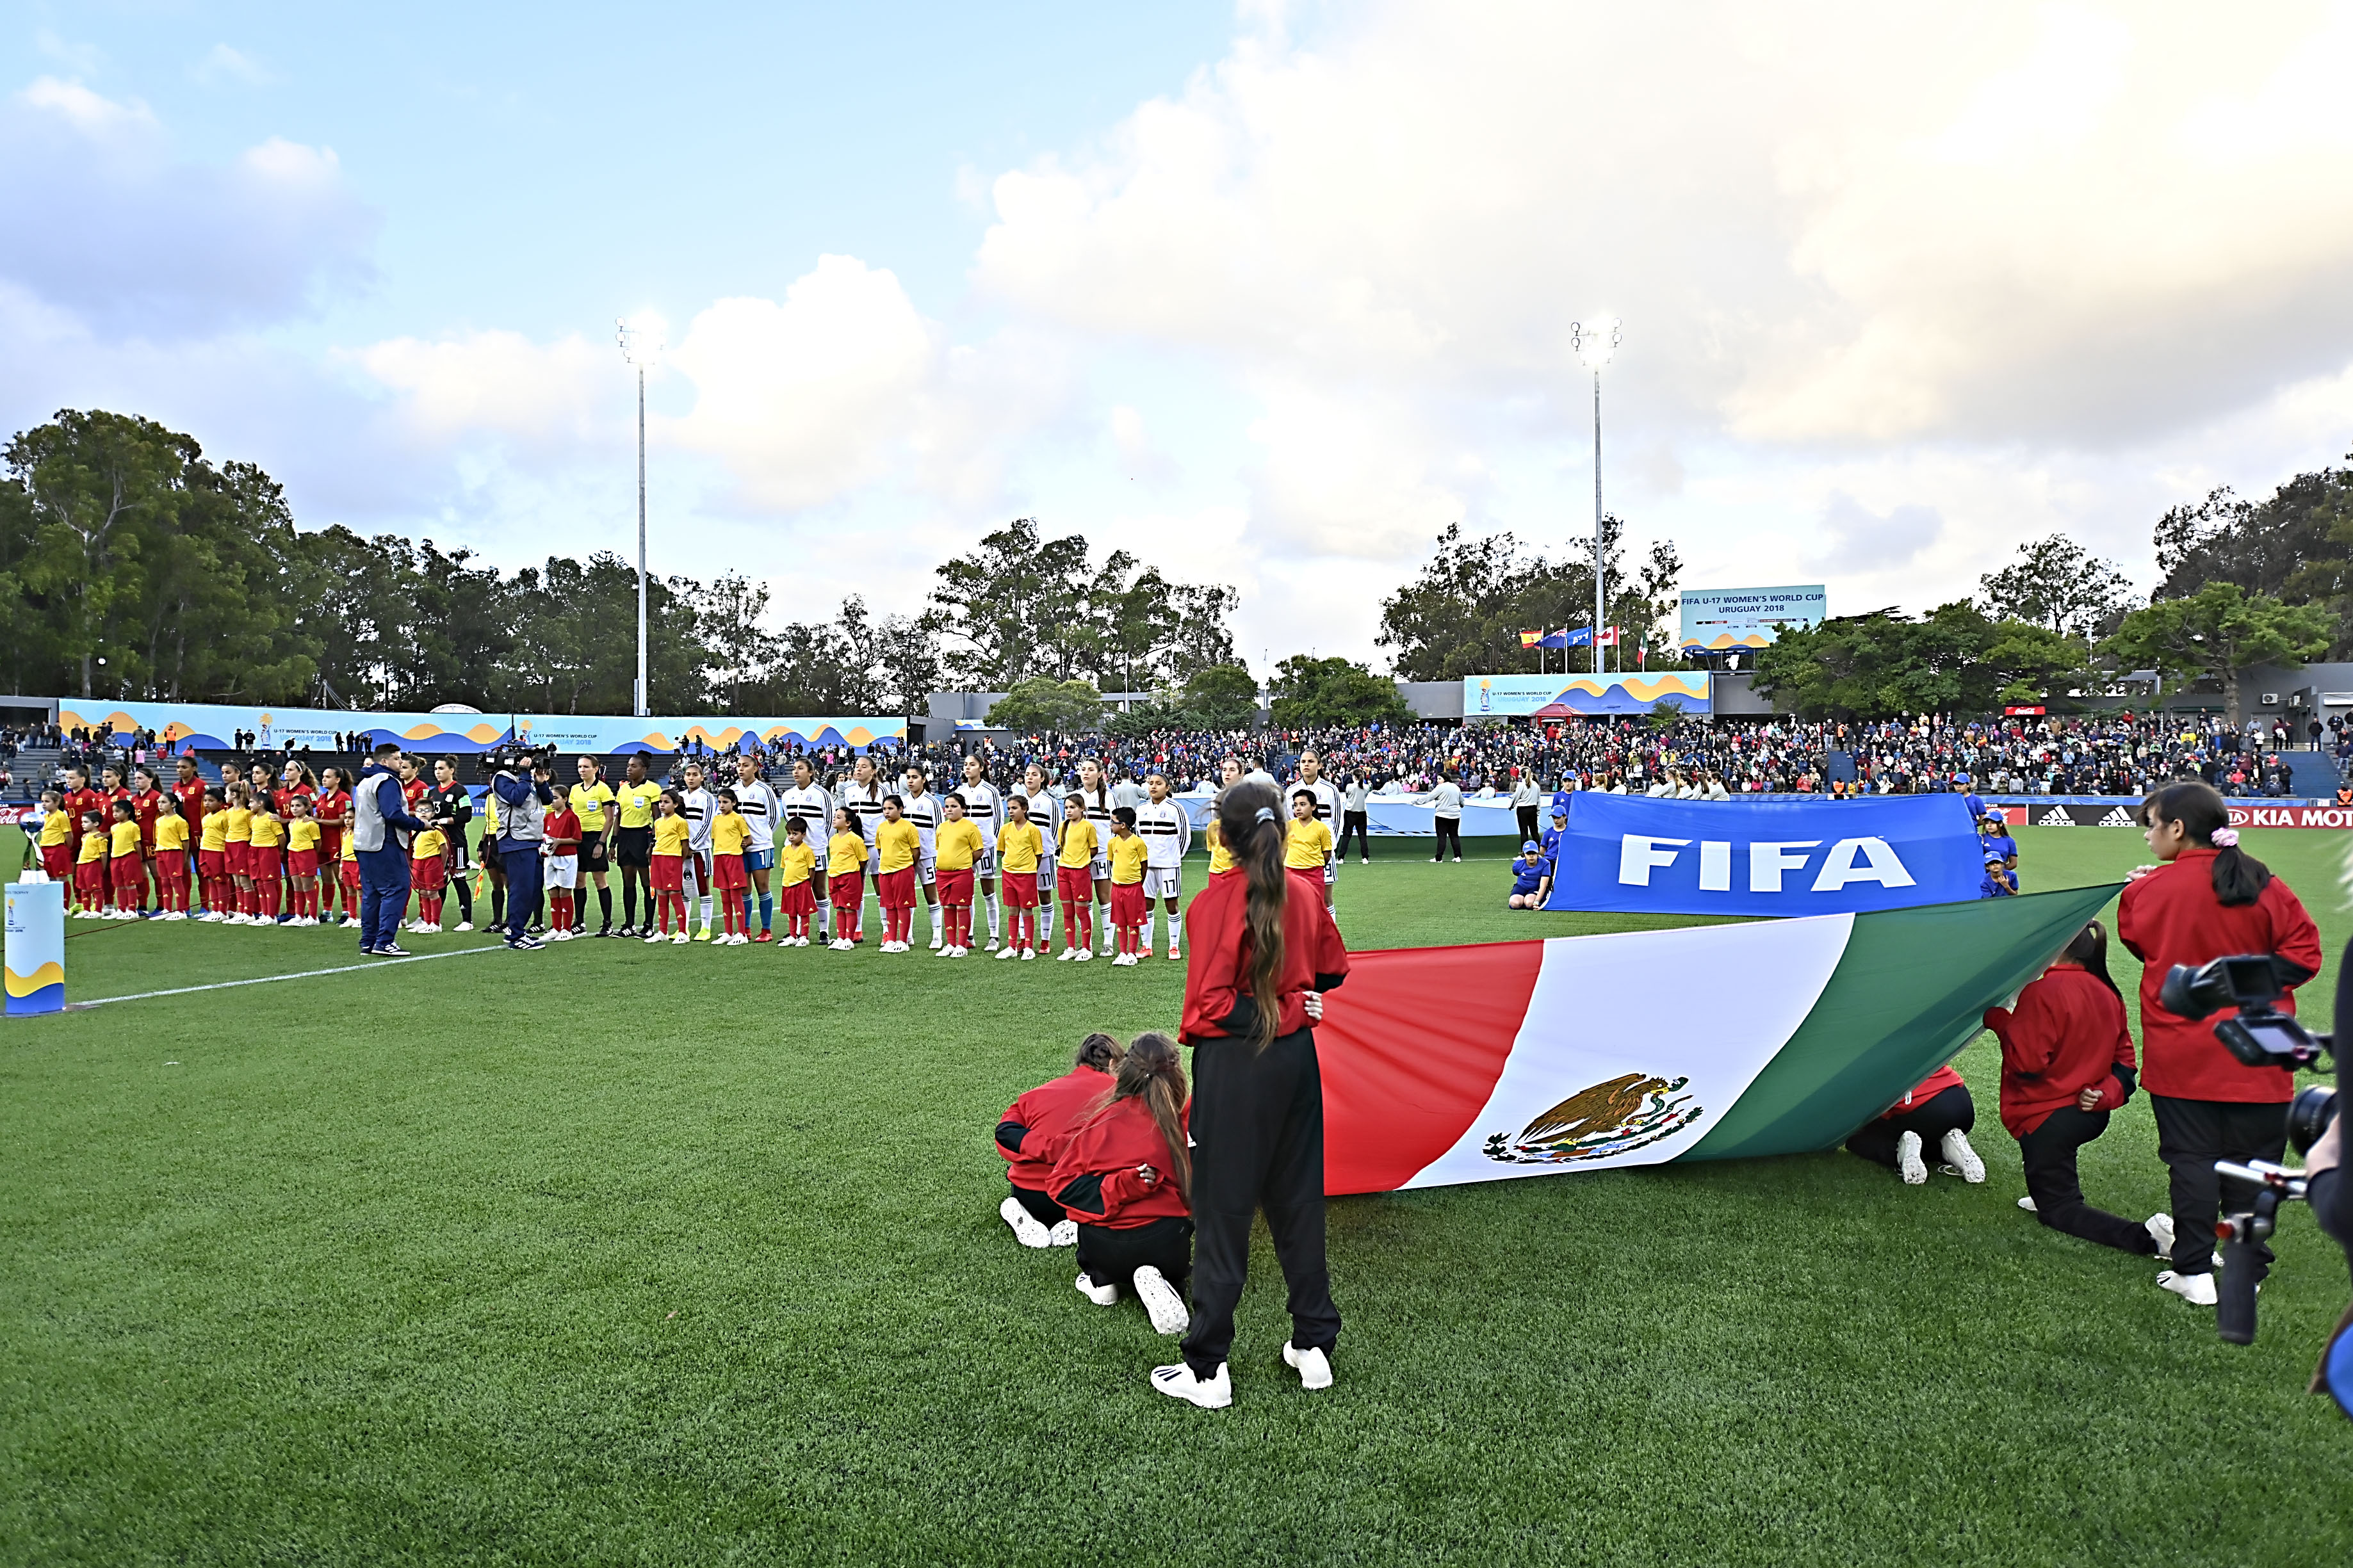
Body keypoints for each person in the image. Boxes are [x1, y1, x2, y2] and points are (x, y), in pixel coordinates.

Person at [1159, 781, 1352, 1409]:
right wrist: (1297, 1003)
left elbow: (1214, 1003)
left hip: (1236, 1065)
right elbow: (1331, 969)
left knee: (1223, 1211)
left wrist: (1287, 1004)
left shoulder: (1211, 905)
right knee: (1297, 1200)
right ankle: (1313, 1344)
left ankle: (1209, 1368)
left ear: (1225, 836)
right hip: (1295, 1063)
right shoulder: (1305, 890)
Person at [2117, 779, 2324, 1305]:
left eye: (2152, 825)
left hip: (2183, 1055)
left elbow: (2142, 942)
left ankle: (2193, 1270)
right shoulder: (2263, 884)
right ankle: (2245, 1270)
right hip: (2259, 1055)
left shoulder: (2148, 891)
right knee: (2251, 1168)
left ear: (2178, 828)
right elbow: (2304, 956)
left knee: (2191, 1161)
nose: (2148, 835)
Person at [1984, 921, 2163, 1256]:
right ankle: (2047, 1191)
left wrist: (1999, 1019)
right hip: (2090, 1114)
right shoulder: (2108, 992)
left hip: (2048, 1118)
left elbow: (2027, 1063)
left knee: (2059, 1210)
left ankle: (2150, 1238)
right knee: (2051, 1178)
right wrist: (2104, 1094)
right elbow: (2125, 1062)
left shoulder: (2041, 992)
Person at [1048, 1031, 1196, 1336]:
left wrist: (1122, 1185)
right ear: (1177, 1075)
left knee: (1095, 1243)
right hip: (1166, 1243)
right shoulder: (1182, 1127)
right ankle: (1165, 1280)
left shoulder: (1101, 1122)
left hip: (1105, 1248)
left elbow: (1060, 1187)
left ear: (1126, 1069)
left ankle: (1102, 1283)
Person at [993, 1031, 1124, 1247]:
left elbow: (1005, 1135)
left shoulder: (1035, 1095)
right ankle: (1079, 1223)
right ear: (1112, 1064)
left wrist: (1049, 1148)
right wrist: (1069, 1149)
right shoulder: (1121, 1096)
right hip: (1083, 1195)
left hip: (1028, 1192)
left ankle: (1027, 1214)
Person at [1846, 1065, 1987, 1184]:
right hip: (1960, 1101)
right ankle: (1947, 1146)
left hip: (1925, 1112)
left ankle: (1899, 1153)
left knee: (1856, 1139)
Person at [350, 744, 430, 955]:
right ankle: (385, 941)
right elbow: (392, 814)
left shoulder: (365, 781)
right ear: (384, 762)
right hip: (383, 843)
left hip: (364, 844)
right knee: (396, 889)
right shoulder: (387, 781)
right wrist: (420, 825)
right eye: (396, 758)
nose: (400, 762)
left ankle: (368, 941)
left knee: (372, 894)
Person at [486, 752, 555, 952]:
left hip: (531, 840)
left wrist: (540, 781)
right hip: (515, 840)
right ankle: (515, 934)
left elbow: (548, 799)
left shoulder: (526, 779)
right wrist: (526, 775)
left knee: (533, 888)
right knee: (521, 888)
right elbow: (516, 798)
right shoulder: (502, 778)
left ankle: (519, 930)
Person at [1137, 771, 1191, 960]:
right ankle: (1147, 946)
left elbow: (1184, 836)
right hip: (1147, 867)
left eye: (1158, 783)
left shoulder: (1176, 808)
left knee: (1171, 905)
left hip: (1169, 866)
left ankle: (1174, 946)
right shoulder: (1141, 809)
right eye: (1151, 783)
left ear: (1167, 788)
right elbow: (1138, 838)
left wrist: (1175, 858)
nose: (1153, 786)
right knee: (1146, 905)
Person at [781, 757, 835, 942]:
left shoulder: (822, 794)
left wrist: (820, 844)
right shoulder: (787, 795)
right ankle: (795, 933)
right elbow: (790, 824)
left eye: (801, 768)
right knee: (795, 891)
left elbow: (829, 822)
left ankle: (824, 931)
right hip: (794, 852)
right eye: (794, 769)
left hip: (816, 851)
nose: (796, 772)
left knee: (819, 890)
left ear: (811, 772)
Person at [733, 754, 783, 943]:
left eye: (745, 765)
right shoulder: (733, 790)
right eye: (738, 765)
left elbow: (774, 819)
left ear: (755, 769)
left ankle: (766, 930)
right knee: (744, 889)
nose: (741, 768)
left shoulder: (764, 790)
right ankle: (745, 929)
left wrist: (759, 837)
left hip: (760, 846)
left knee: (762, 887)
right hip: (738, 847)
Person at [612, 754, 662, 938]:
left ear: (644, 769)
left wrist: (653, 843)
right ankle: (629, 924)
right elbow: (618, 817)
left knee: (647, 883)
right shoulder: (623, 789)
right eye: (628, 765)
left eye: (634, 766)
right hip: (625, 837)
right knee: (628, 882)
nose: (629, 769)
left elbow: (657, 818)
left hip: (643, 837)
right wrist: (613, 844)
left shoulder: (652, 789)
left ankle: (649, 925)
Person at [569, 756, 617, 937]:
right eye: (580, 766)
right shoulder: (574, 789)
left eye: (586, 767)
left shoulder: (602, 789)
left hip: (595, 838)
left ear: (596, 769)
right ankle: (579, 922)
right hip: (578, 839)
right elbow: (573, 816)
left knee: (600, 882)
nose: (582, 770)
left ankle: (607, 923)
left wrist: (601, 843)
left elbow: (610, 819)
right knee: (578, 882)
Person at [957, 755, 1002, 951]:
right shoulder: (959, 791)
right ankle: (969, 935)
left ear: (981, 768)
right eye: (966, 765)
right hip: (964, 849)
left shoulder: (990, 791)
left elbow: (999, 819)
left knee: (987, 891)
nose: (968, 768)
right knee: (966, 892)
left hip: (985, 847)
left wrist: (993, 843)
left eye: (972, 765)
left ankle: (994, 936)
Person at [932, 793, 985, 958]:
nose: (950, 809)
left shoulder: (970, 827)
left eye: (954, 806)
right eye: (947, 806)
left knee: (962, 907)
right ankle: (950, 944)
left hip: (961, 873)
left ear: (963, 808)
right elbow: (940, 848)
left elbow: (978, 850)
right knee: (948, 907)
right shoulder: (941, 828)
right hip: (942, 874)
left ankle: (962, 945)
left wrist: (965, 862)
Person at [1074, 757, 1118, 955]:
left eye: (1091, 769)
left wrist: (1113, 851)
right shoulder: (1075, 796)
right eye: (1083, 769)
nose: (1086, 773)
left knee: (1104, 897)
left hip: (1102, 855)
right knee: (1084, 899)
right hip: (1080, 857)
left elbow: (1117, 826)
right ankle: (1087, 943)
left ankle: (1108, 943)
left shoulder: (1109, 797)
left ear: (1100, 773)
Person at [426, 759, 475, 932]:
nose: (437, 772)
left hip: (456, 843)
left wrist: (444, 821)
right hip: (436, 844)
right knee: (440, 880)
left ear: (451, 770)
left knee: (459, 878)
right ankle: (434, 921)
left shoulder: (460, 791)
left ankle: (467, 921)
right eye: (435, 768)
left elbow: (467, 815)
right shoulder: (432, 793)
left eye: (441, 768)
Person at [900, 763, 945, 950]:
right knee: (907, 896)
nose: (911, 781)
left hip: (928, 856)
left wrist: (939, 853)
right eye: (908, 777)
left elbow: (940, 829)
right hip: (906, 857)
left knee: (931, 895)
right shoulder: (902, 801)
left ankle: (937, 936)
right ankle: (907, 935)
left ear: (924, 780)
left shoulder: (932, 802)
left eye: (915, 777)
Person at [995, 793, 1045, 960]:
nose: (1011, 811)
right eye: (1009, 808)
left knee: (1026, 910)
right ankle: (1011, 946)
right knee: (1012, 910)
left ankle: (1029, 947)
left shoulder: (1032, 829)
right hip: (1009, 874)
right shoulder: (1005, 829)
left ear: (1024, 809)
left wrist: (1028, 868)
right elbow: (1002, 851)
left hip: (1026, 875)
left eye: (1014, 808)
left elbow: (1038, 854)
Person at [1055, 790, 1100, 962]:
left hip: (1080, 872)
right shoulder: (1063, 826)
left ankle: (1086, 948)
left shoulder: (1088, 827)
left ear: (1082, 809)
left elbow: (1094, 849)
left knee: (1082, 912)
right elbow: (1062, 847)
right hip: (1063, 871)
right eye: (1066, 807)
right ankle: (1071, 948)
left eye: (1072, 807)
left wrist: (1082, 861)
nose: (1068, 810)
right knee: (1067, 912)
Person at [874, 794, 921, 953]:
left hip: (903, 871)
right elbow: (880, 849)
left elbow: (916, 851)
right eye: (885, 809)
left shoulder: (909, 827)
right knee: (890, 907)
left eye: (890, 808)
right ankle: (891, 940)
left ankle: (903, 941)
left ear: (900, 809)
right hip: (885, 871)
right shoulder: (881, 827)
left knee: (903, 906)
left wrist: (908, 866)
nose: (887, 812)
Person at [678, 761, 718, 943]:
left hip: (700, 850)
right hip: (680, 851)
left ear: (702, 777)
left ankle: (705, 928)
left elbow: (707, 824)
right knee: (684, 889)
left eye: (695, 775)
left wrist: (692, 846)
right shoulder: (678, 797)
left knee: (703, 889)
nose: (691, 778)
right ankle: (683, 929)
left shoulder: (707, 797)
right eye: (688, 775)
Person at [1105, 805, 1150, 965]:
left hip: (1133, 888)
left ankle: (1132, 953)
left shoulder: (1138, 843)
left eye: (1113, 822)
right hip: (1117, 888)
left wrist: (1138, 883)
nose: (1110, 825)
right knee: (1120, 921)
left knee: (1133, 921)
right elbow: (1111, 863)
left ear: (1123, 825)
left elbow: (1144, 865)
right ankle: (1122, 952)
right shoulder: (1112, 843)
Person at [708, 789, 752, 945]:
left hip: (734, 859)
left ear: (733, 803)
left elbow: (748, 839)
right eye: (719, 802)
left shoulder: (738, 819)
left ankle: (742, 934)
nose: (721, 805)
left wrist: (742, 845)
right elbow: (715, 840)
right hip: (719, 858)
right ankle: (728, 932)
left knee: (735, 896)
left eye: (725, 802)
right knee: (725, 897)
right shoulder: (716, 820)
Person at [647, 790, 691, 943]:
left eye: (666, 802)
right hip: (658, 859)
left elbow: (685, 845)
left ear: (676, 804)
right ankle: (662, 932)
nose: (662, 805)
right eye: (660, 802)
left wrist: (679, 860)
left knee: (675, 896)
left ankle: (683, 933)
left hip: (672, 860)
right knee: (661, 897)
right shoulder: (658, 822)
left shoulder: (680, 822)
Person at [825, 806, 867, 950]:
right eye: (835, 816)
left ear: (848, 823)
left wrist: (853, 873)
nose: (834, 819)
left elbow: (863, 860)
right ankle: (840, 938)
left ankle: (849, 938)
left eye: (838, 817)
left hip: (850, 877)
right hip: (834, 876)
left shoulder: (855, 839)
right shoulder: (833, 839)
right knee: (839, 909)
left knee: (850, 909)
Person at [774, 814, 818, 946]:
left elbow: (812, 869)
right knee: (791, 913)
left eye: (795, 833)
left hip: (802, 885)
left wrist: (808, 884)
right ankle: (793, 935)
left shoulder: (807, 851)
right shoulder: (785, 850)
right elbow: (785, 867)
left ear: (804, 835)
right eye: (789, 833)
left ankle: (804, 936)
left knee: (804, 912)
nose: (791, 836)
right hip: (788, 885)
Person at [542, 790, 582, 939]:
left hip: (567, 858)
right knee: (552, 892)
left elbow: (577, 839)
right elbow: (544, 837)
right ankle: (556, 928)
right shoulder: (549, 817)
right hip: (551, 859)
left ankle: (567, 930)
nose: (552, 801)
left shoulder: (572, 817)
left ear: (565, 799)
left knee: (565, 893)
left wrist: (559, 841)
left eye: (555, 798)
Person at [1285, 787, 1335, 894]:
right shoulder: (1288, 826)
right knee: (1293, 909)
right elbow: (1283, 850)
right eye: (1295, 805)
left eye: (1303, 805)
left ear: (1313, 807)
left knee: (1313, 908)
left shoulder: (1322, 828)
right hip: (1291, 873)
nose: (1298, 808)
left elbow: (1327, 854)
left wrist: (1315, 866)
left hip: (1314, 874)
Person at [408, 802, 448, 934]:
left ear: (433, 813)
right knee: (423, 892)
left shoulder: (436, 829)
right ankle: (427, 921)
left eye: (427, 810)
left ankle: (436, 923)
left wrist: (441, 865)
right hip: (418, 862)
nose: (423, 813)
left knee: (432, 892)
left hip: (432, 862)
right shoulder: (414, 828)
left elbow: (444, 848)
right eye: (420, 810)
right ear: (415, 813)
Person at [150, 793, 191, 919]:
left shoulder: (180, 821)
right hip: (161, 852)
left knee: (176, 881)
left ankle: (181, 911)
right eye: (159, 802)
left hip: (174, 852)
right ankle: (167, 909)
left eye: (164, 802)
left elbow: (185, 841)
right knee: (164, 882)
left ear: (173, 804)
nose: (160, 805)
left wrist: (184, 858)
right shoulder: (159, 821)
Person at [246, 794, 286, 925]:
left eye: (252, 802)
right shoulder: (253, 819)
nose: (249, 805)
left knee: (268, 884)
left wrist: (279, 851)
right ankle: (265, 913)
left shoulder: (271, 818)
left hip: (268, 851)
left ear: (261, 803)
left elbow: (282, 837)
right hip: (255, 851)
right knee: (259, 884)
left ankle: (272, 916)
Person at [281, 796, 320, 926]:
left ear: (306, 807)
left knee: (307, 886)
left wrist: (311, 855)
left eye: (298, 806)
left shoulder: (310, 823)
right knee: (297, 886)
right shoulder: (292, 823)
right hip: (293, 854)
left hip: (306, 855)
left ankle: (313, 917)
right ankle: (299, 915)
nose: (295, 809)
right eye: (292, 806)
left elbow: (317, 842)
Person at [106, 798, 144, 918]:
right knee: (119, 885)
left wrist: (140, 859)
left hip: (129, 857)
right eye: (114, 812)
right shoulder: (114, 827)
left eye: (118, 811)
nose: (115, 814)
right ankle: (121, 909)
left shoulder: (133, 827)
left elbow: (137, 844)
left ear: (127, 812)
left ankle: (132, 910)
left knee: (130, 884)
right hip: (115, 858)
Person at [1339, 769, 1372, 864]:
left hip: (1350, 813)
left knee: (1347, 835)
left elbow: (1348, 796)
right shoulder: (1366, 787)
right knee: (1362, 836)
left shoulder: (1350, 786)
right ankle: (1365, 858)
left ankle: (1341, 858)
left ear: (1354, 777)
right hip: (1361, 813)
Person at [1431, 771, 1463, 863]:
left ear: (1445, 779)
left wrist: (1415, 802)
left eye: (1440, 779)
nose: (1438, 781)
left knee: (1442, 837)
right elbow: (1462, 801)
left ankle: (1439, 858)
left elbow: (1429, 797)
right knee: (1454, 836)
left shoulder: (1440, 787)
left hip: (1442, 816)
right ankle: (1458, 857)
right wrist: (1462, 805)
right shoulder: (1456, 787)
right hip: (1455, 816)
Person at [1507, 840, 1548, 909]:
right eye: (1528, 853)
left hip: (1536, 888)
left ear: (1537, 854)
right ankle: (1523, 900)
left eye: (1533, 853)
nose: (1531, 856)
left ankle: (1529, 900)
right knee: (1514, 904)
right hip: (1521, 887)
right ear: (1524, 855)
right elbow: (1516, 873)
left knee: (1529, 903)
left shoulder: (1545, 864)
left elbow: (1543, 886)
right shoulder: (1517, 865)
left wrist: (1537, 902)